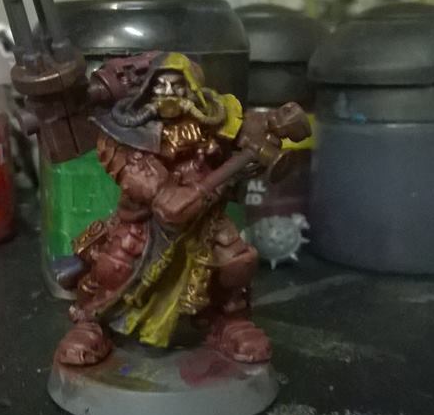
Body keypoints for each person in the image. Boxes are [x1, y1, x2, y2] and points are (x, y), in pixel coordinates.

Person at [56, 52, 308, 366]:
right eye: (160, 86)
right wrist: (166, 192)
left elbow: (250, 132)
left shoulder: (213, 118)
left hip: (205, 219)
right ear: (147, 91)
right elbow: (146, 185)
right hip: (144, 221)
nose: (169, 94)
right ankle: (91, 321)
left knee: (236, 261)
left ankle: (231, 321)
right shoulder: (126, 131)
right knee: (114, 267)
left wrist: (275, 122)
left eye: (178, 86)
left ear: (193, 89)